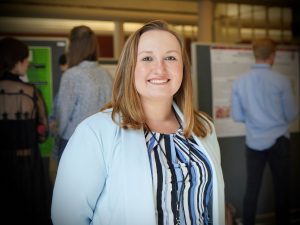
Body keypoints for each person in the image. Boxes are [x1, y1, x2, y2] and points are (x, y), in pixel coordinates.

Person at [52, 20, 225, 225]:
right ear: (129, 68)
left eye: (170, 57)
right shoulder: (95, 132)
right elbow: (67, 218)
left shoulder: (204, 127)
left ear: (183, 68)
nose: (159, 68)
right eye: (147, 58)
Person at [231, 38, 298, 225]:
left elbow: (237, 116)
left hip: (253, 141)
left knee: (251, 189)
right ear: (273, 56)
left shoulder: (239, 82)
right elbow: (292, 114)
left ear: (255, 55)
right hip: (279, 142)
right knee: (281, 191)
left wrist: (255, 120)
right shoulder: (282, 81)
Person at [0, 37, 52, 225]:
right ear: (17, 61)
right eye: (25, 59)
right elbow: (42, 134)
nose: (28, 62)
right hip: (28, 165)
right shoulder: (30, 92)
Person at [55, 25, 113, 162]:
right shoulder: (106, 74)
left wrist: (56, 134)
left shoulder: (72, 75)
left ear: (73, 47)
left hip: (74, 141)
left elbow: (63, 117)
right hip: (103, 141)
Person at [49, 53, 68, 161]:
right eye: (63, 72)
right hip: (60, 147)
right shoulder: (61, 93)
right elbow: (52, 118)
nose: (65, 77)